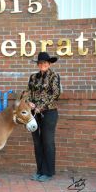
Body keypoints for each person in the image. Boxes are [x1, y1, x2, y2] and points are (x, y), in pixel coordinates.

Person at [25, 52, 60, 182]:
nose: (42, 65)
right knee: (37, 142)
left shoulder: (54, 76)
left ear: (49, 64)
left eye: (45, 63)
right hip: (34, 113)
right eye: (40, 63)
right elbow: (28, 92)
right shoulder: (33, 77)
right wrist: (29, 102)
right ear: (38, 64)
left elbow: (55, 94)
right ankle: (39, 170)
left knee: (47, 142)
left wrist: (41, 106)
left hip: (49, 113)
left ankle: (48, 172)